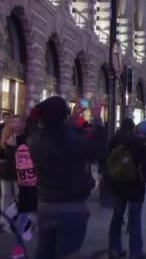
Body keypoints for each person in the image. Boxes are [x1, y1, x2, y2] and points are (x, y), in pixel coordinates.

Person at [28, 97, 106, 259]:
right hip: (71, 205)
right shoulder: (68, 141)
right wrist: (97, 120)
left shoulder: (35, 141)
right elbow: (94, 149)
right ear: (63, 117)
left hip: (45, 203)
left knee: (45, 251)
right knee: (68, 253)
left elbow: (64, 132)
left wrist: (74, 119)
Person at [107, 119, 146, 259]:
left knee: (117, 218)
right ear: (133, 128)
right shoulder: (138, 143)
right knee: (135, 220)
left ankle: (114, 249)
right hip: (136, 185)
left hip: (118, 184)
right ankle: (135, 252)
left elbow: (107, 158)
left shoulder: (115, 140)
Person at [11, 115, 38, 258]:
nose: (14, 125)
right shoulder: (14, 140)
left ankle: (41, 249)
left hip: (36, 185)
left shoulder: (31, 139)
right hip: (24, 185)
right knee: (22, 217)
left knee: (39, 216)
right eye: (12, 122)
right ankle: (18, 249)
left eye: (17, 122)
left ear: (24, 124)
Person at [1, 117, 20, 221]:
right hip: (6, 171)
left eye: (18, 122)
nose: (16, 124)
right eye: (14, 121)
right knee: (5, 195)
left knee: (18, 195)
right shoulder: (5, 134)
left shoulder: (24, 136)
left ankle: (16, 218)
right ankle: (4, 219)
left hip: (19, 171)